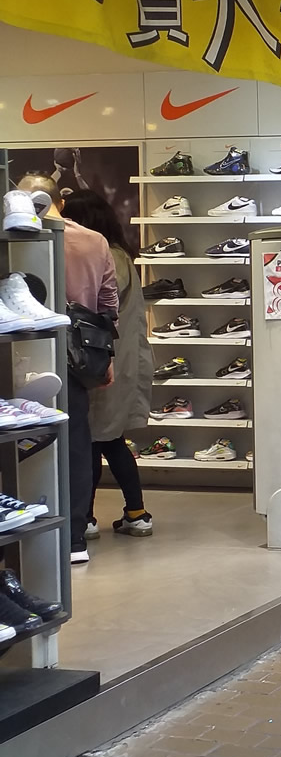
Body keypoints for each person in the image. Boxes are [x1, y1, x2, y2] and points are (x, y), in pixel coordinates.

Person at [18, 176, 118, 565]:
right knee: (76, 442)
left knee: (22, 437)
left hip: (25, 349)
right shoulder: (95, 240)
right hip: (79, 350)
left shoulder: (21, 239)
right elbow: (108, 304)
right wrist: (107, 356)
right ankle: (75, 536)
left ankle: (24, 523)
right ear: (61, 200)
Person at [62, 191, 153, 537]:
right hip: (119, 358)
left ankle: (86, 517)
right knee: (109, 439)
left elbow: (96, 305)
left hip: (105, 360)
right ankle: (134, 513)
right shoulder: (119, 253)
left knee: (94, 440)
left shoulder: (107, 255)